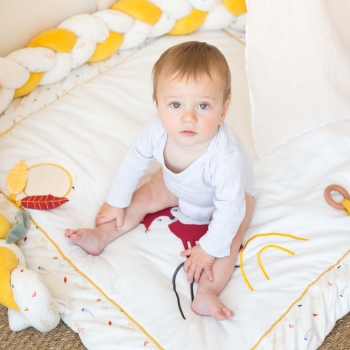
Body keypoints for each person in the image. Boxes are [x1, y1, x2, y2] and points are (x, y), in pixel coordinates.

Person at [65, 41, 254, 321]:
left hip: (224, 204)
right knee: (145, 194)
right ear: (157, 104)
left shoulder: (225, 158)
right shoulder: (156, 130)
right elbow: (133, 161)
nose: (188, 117)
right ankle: (103, 236)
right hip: (174, 185)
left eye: (203, 106)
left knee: (230, 240)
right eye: (175, 104)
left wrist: (208, 249)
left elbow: (229, 209)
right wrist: (116, 202)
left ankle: (206, 293)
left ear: (223, 111)